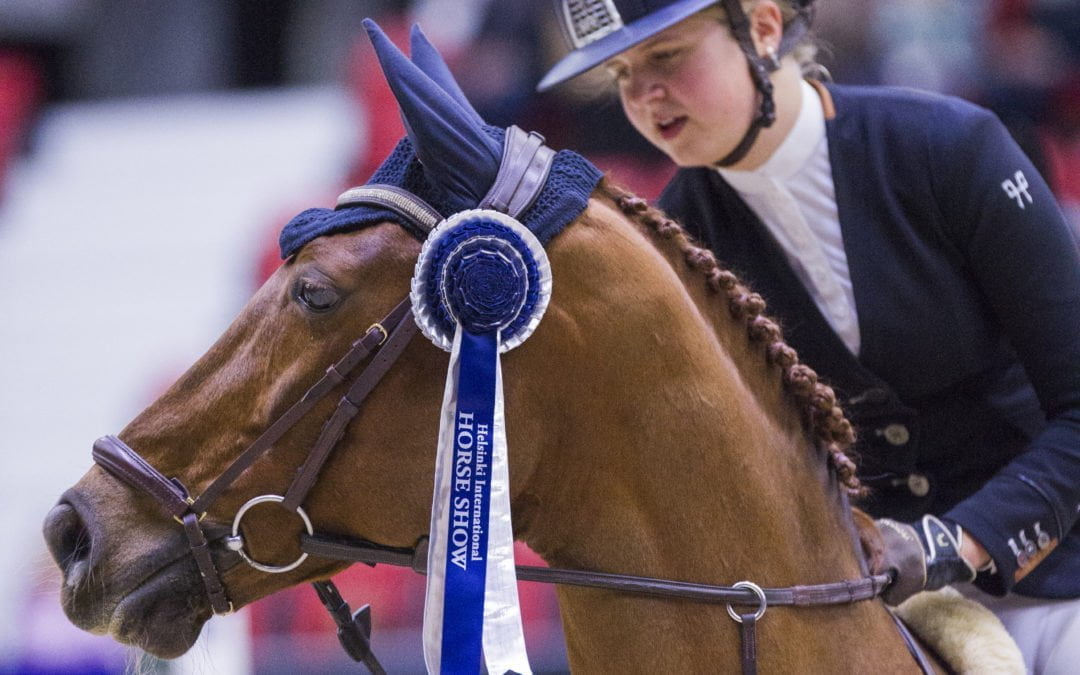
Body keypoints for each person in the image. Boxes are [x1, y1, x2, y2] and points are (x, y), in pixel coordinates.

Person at [537, 1, 1080, 671]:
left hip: (1056, 577)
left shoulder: (953, 148)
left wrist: (952, 543)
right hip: (867, 605)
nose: (643, 94)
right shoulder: (674, 248)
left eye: (667, 57)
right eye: (622, 72)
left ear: (763, 27)